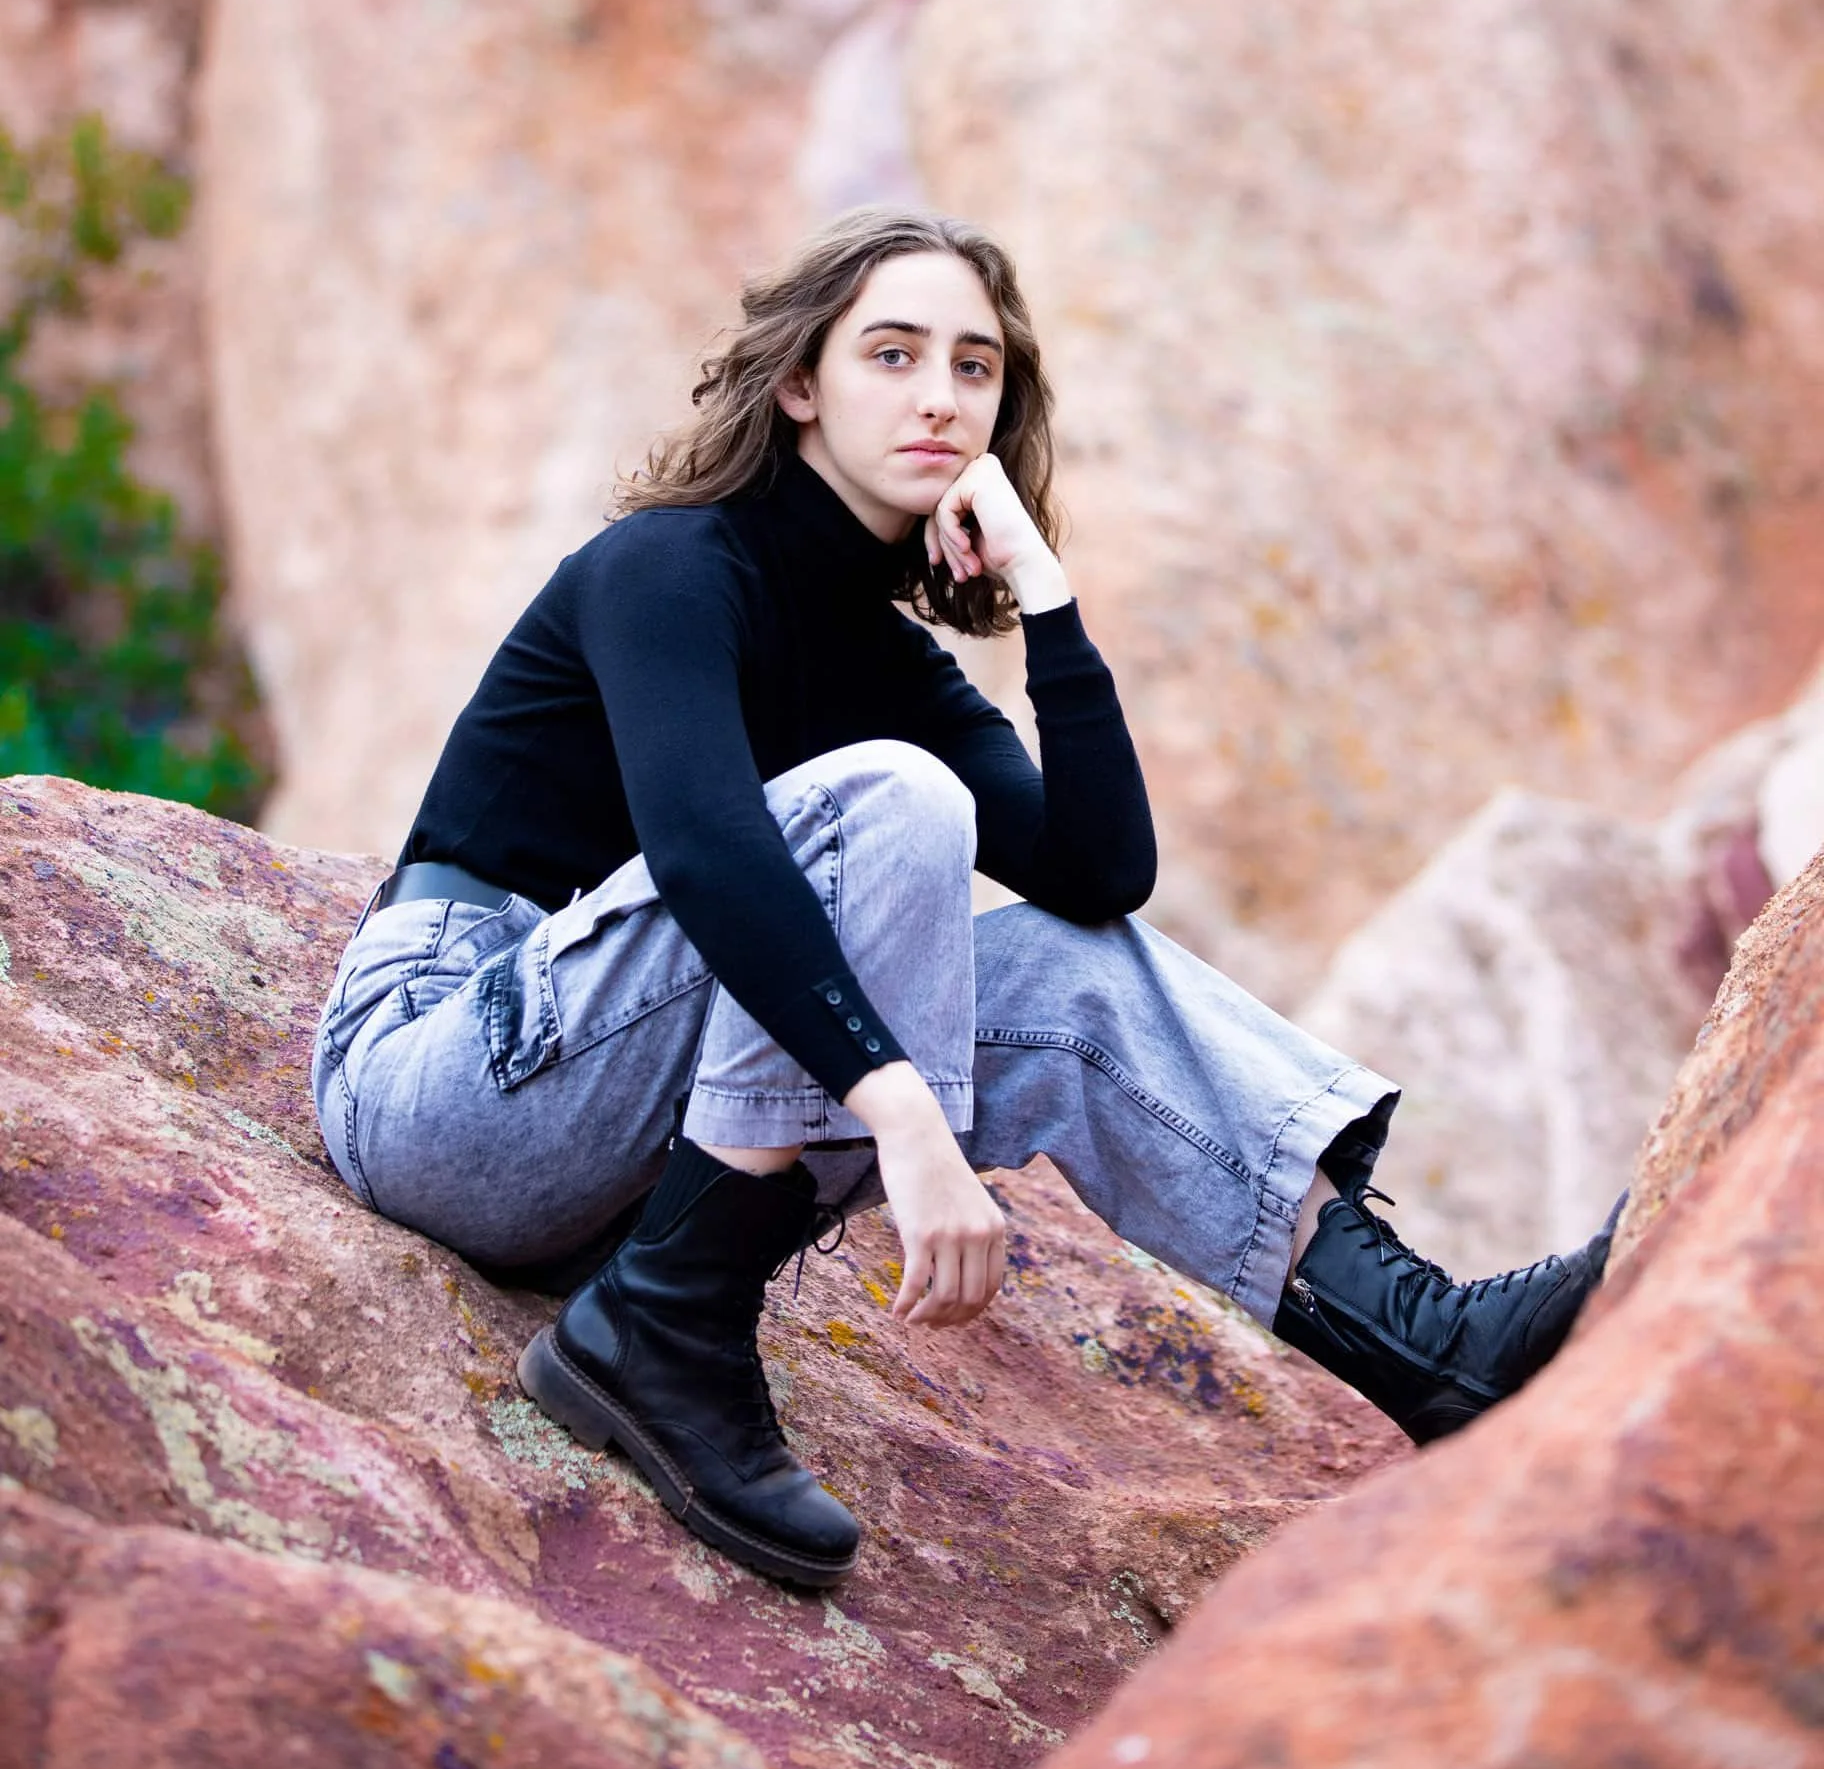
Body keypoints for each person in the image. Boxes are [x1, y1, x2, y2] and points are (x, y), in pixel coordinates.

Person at [310, 207, 1617, 1590]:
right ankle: (668, 1325)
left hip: (627, 1143)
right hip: (449, 1076)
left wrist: (1048, 601)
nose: (940, 395)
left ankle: (1420, 1345)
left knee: (1072, 971)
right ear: (800, 383)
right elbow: (702, 852)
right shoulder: (669, 568)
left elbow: (1101, 878)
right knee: (898, 803)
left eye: (975, 367)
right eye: (892, 353)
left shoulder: (884, 665)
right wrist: (898, 1110)